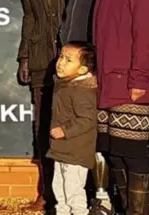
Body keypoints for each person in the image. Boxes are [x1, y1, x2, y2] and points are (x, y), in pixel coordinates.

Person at [93, 0, 149, 215]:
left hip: (131, 82)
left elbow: (146, 37)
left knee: (133, 155)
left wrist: (140, 80)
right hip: (105, 82)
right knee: (113, 152)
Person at [17, 0, 70, 213]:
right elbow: (29, 16)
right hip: (40, 54)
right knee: (42, 126)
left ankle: (78, 192)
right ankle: (46, 192)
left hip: (71, 54)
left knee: (73, 124)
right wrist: (24, 55)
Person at [47, 42, 98, 215]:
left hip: (76, 152)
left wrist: (65, 130)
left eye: (68, 60)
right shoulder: (65, 85)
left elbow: (87, 119)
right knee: (59, 190)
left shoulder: (82, 90)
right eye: (61, 57)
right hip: (62, 150)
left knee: (73, 192)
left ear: (83, 70)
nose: (60, 62)